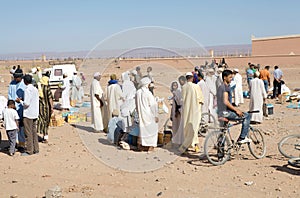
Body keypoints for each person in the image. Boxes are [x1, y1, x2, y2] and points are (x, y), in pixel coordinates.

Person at [217, 70, 251, 144]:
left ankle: (221, 152)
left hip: (220, 112)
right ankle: (242, 137)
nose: (231, 79)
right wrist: (236, 110)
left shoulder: (220, 87)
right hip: (226, 113)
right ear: (224, 77)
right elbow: (225, 101)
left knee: (223, 131)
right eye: (230, 77)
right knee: (247, 116)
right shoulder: (225, 88)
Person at [179, 72, 203, 153]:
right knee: (194, 128)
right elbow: (200, 99)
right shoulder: (196, 86)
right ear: (192, 78)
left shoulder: (183, 87)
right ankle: (193, 146)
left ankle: (186, 147)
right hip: (195, 111)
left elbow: (181, 100)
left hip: (186, 111)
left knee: (186, 128)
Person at [16, 74, 39, 156]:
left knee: (28, 133)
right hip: (35, 113)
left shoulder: (27, 89)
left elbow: (27, 103)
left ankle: (29, 150)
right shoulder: (35, 89)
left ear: (25, 81)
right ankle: (36, 149)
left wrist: (20, 101)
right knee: (34, 132)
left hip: (28, 114)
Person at [136, 77, 158, 151]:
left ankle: (141, 145)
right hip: (148, 114)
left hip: (141, 114)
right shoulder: (148, 93)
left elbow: (136, 104)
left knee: (142, 130)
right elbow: (153, 105)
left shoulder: (137, 92)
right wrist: (155, 115)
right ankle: (150, 146)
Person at [8, 68, 26, 151]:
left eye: (16, 78)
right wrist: (11, 105)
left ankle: (21, 144)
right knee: (13, 127)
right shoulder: (12, 84)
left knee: (21, 127)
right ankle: (13, 144)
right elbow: (10, 95)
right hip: (13, 109)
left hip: (21, 109)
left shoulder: (24, 85)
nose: (15, 79)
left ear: (21, 77)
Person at [37, 73, 53, 143]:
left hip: (40, 108)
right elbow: (50, 98)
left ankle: (43, 135)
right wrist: (52, 107)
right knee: (46, 122)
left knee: (41, 121)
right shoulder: (47, 88)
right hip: (47, 108)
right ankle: (45, 136)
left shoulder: (38, 87)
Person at [172, 76, 186, 145]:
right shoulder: (179, 90)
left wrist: (177, 110)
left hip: (181, 110)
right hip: (179, 110)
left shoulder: (183, 90)